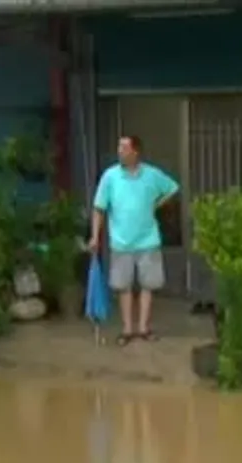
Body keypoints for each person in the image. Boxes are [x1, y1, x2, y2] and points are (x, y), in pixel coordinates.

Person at [88, 134, 180, 346]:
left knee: (148, 285)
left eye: (124, 148)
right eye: (119, 147)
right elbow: (99, 208)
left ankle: (143, 328)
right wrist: (95, 236)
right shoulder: (110, 176)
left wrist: (157, 204)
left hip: (148, 240)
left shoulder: (151, 175)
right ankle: (128, 329)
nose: (120, 151)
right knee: (124, 287)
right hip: (121, 242)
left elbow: (173, 188)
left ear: (135, 151)